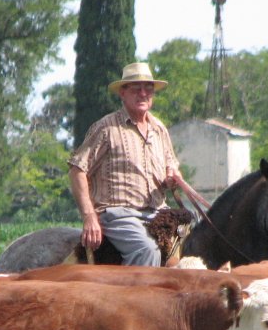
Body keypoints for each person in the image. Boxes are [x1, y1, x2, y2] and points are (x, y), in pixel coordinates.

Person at [67, 62, 186, 266]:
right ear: (123, 93)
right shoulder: (106, 128)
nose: (143, 93)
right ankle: (140, 298)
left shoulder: (159, 130)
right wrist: (89, 216)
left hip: (158, 212)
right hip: (119, 215)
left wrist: (173, 178)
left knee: (198, 242)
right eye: (136, 88)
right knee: (146, 250)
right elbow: (77, 170)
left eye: (148, 88)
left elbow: (171, 168)